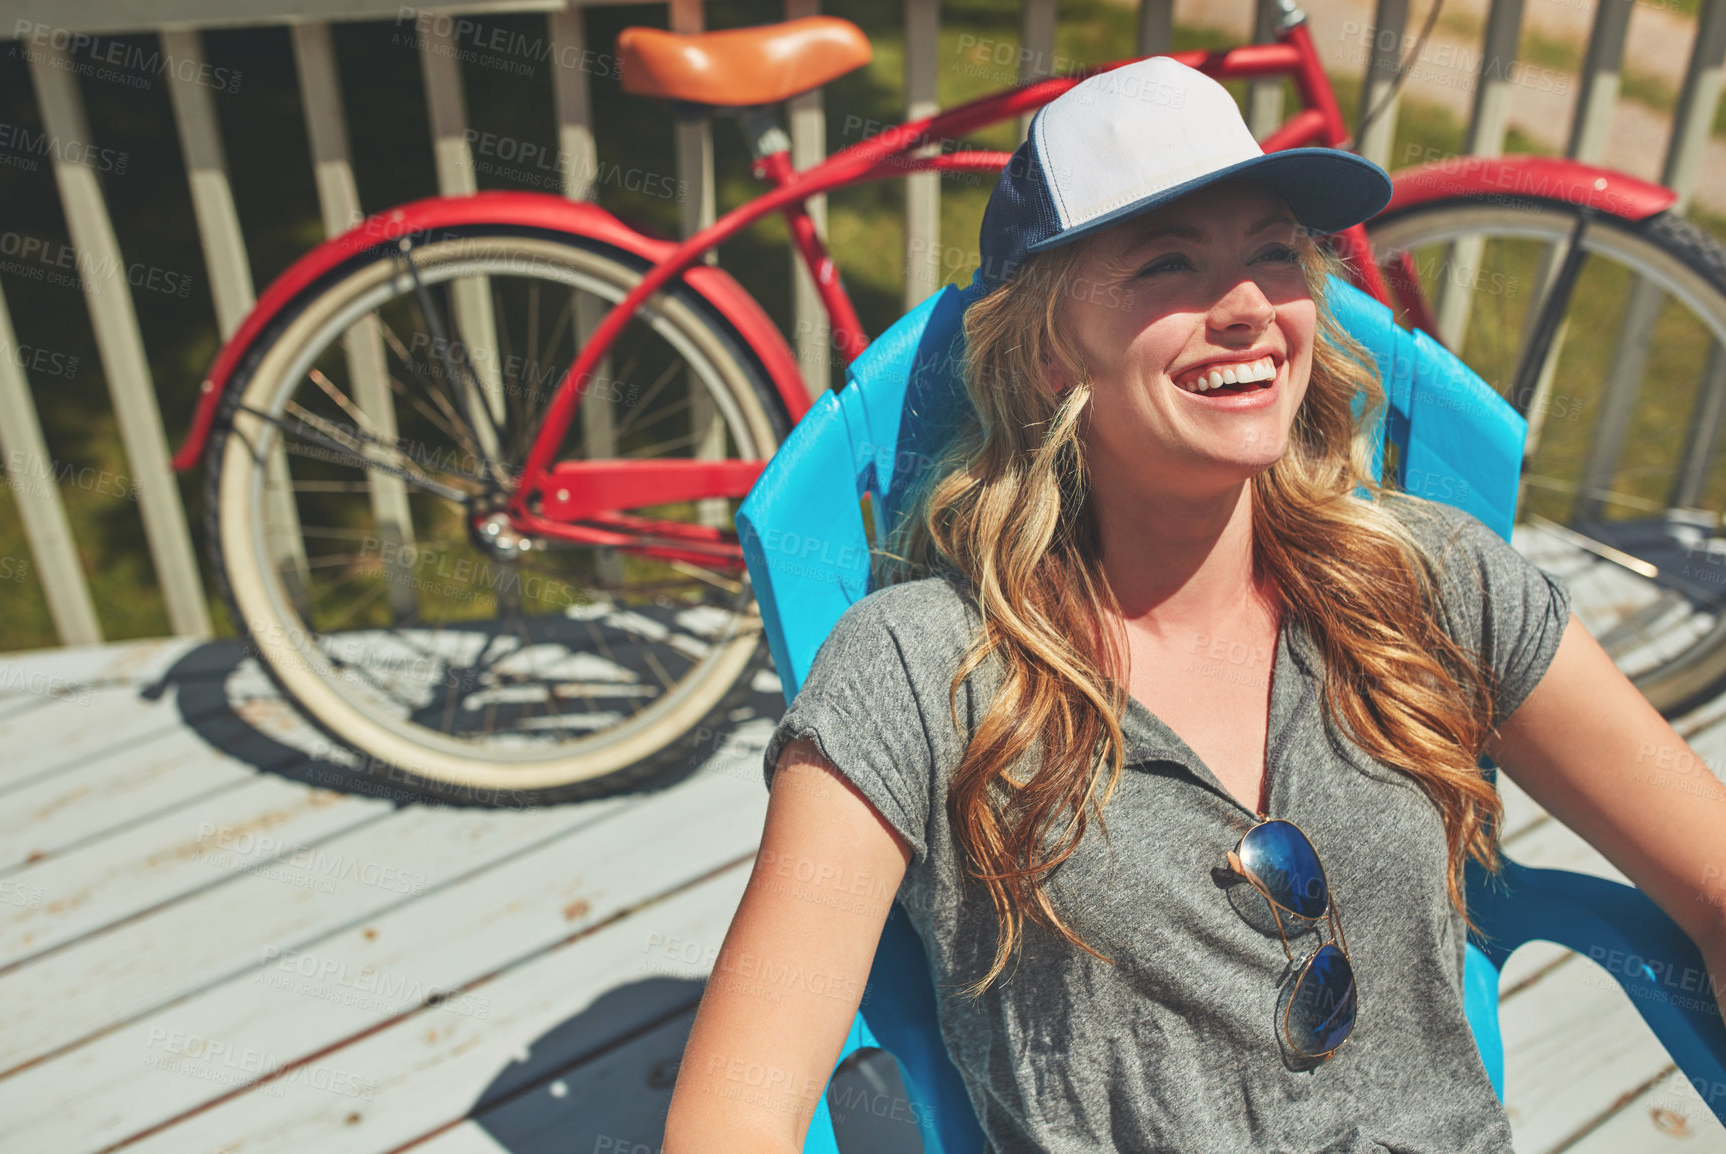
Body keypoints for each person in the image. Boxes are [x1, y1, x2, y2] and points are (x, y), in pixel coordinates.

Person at [661, 55, 1726, 1153]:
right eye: (1168, 264)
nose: (1248, 310)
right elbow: (735, 1106)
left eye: (1275, 254)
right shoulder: (922, 669)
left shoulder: (1431, 588)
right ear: (1043, 347)